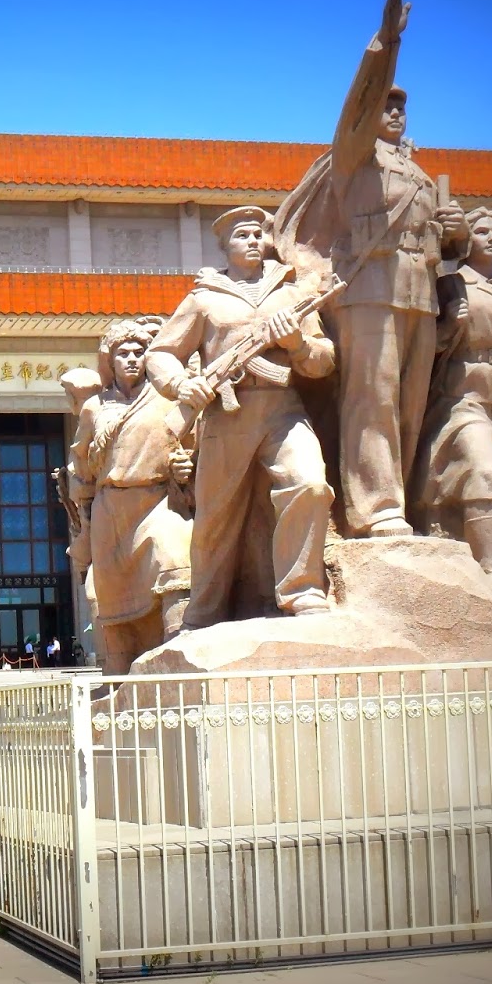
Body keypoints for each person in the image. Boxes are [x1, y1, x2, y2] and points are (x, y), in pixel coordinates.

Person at [273, 0, 470, 537]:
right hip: (367, 289)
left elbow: (440, 246)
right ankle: (373, 507)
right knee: (372, 397)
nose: (395, 112)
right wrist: (386, 46)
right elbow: (357, 104)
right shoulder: (353, 158)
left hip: (417, 293)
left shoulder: (421, 176)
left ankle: (403, 503)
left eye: (401, 107)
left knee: (410, 404)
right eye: (386, 103)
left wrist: (454, 237)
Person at [145, 207, 335, 625]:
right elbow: (159, 354)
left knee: (311, 484)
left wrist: (298, 343)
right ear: (224, 246)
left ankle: (301, 589)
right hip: (226, 416)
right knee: (215, 519)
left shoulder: (291, 294)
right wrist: (182, 385)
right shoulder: (204, 299)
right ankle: (205, 611)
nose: (252, 241)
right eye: (241, 235)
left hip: (282, 409)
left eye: (257, 234)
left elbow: (323, 360)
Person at [411, 207, 492, 590]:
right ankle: (491, 567)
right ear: (467, 239)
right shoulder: (451, 284)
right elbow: (423, 348)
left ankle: (472, 555)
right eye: (482, 231)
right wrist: (449, 323)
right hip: (461, 397)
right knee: (482, 468)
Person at [69, 316, 195, 673]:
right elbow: (81, 466)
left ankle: (181, 660)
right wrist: (85, 520)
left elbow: (195, 446)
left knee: (175, 563)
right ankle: (118, 683)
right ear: (109, 360)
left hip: (158, 502)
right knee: (112, 604)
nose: (131, 358)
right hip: (112, 511)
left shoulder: (169, 399)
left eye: (139, 351)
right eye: (122, 352)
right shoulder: (95, 408)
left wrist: (187, 471)